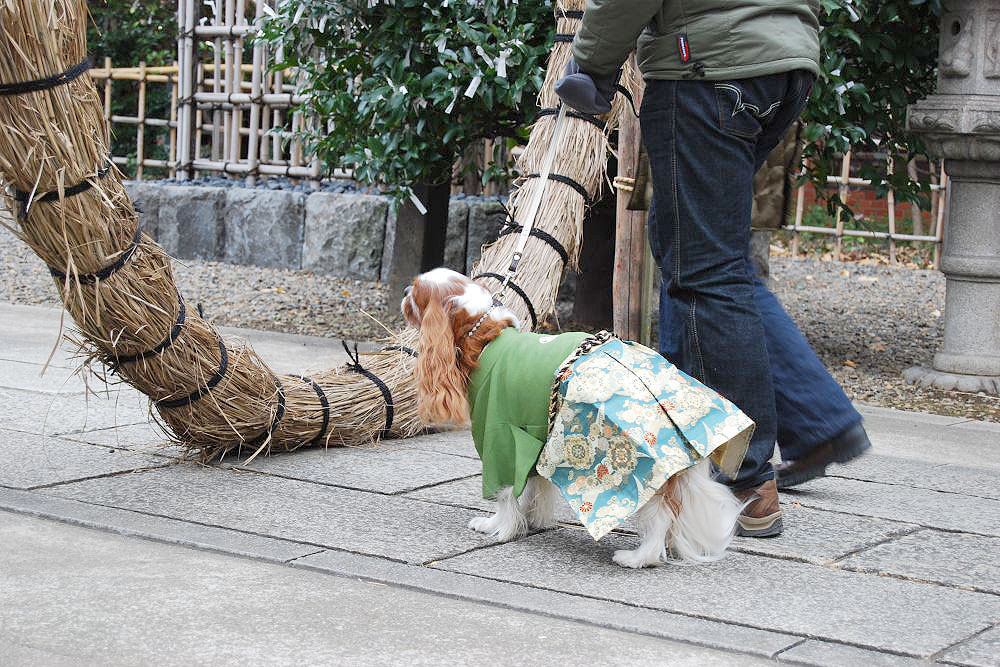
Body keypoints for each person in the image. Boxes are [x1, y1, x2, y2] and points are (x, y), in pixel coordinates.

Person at [555, 0, 870, 537]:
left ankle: (741, 477)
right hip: (783, 62)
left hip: (708, 68)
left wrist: (590, 65)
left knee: (705, 272)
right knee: (702, 258)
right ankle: (813, 422)